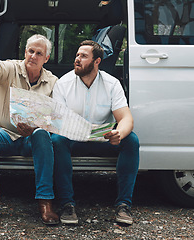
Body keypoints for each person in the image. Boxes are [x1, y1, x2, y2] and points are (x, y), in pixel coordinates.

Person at [0, 34, 59, 225]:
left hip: (32, 139)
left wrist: (36, 126)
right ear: (25, 52)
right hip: (5, 134)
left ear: (46, 58)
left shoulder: (53, 82)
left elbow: (54, 117)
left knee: (43, 134)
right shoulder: (12, 68)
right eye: (30, 51)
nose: (33, 56)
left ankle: (46, 202)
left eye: (39, 53)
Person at [52, 40, 140, 225]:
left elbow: (126, 118)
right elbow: (57, 121)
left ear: (97, 61)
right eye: (77, 55)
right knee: (57, 140)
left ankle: (124, 205)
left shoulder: (112, 84)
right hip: (74, 140)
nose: (77, 59)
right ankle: (67, 204)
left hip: (104, 140)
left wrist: (119, 134)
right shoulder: (63, 83)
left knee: (131, 140)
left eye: (83, 56)